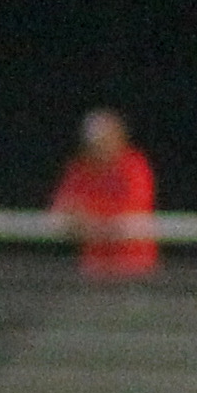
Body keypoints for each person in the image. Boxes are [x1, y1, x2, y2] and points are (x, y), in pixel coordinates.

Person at [50, 107, 158, 279]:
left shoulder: (134, 165)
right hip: (94, 268)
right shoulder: (80, 168)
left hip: (134, 268)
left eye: (106, 138)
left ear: (119, 136)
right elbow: (61, 207)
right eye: (95, 141)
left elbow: (134, 206)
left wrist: (86, 213)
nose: (101, 145)